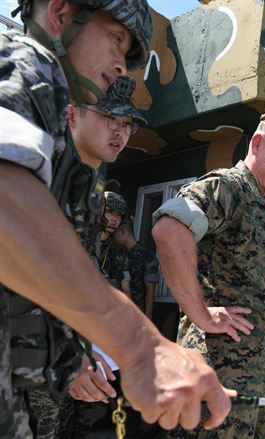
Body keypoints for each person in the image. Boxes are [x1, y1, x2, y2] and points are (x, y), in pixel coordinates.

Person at [0, 1, 233, 438]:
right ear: (61, 11)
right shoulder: (24, 60)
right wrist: (142, 348)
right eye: (116, 39)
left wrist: (72, 352)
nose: (121, 68)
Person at [151, 110, 265, 439]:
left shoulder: (261, 204)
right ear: (256, 143)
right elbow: (169, 230)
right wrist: (200, 314)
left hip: (262, 385)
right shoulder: (228, 188)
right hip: (220, 382)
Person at [25, 76, 146, 439]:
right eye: (111, 118)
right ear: (73, 114)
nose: (121, 132)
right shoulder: (36, 174)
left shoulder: (88, 197)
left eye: (128, 124)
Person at [113, 217, 159, 319]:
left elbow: (150, 289)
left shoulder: (147, 257)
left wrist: (148, 317)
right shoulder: (118, 255)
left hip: (137, 314)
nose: (114, 238)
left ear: (122, 232)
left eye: (115, 234)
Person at [98, 191, 131, 290]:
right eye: (110, 212)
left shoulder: (118, 252)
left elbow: (125, 288)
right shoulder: (81, 241)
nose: (114, 219)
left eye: (119, 215)